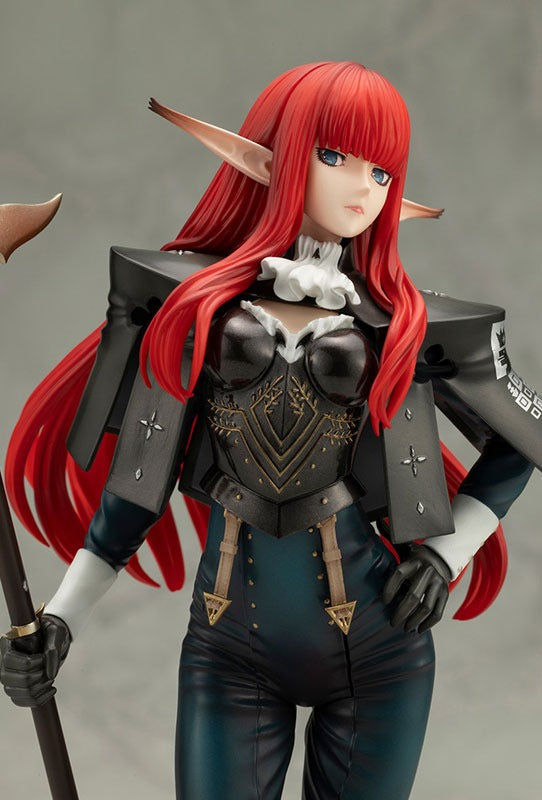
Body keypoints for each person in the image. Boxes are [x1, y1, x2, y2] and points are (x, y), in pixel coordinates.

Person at [1, 61, 540, 800]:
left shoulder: (405, 325)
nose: (361, 188)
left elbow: (521, 438)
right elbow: (138, 486)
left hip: (381, 652)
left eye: (382, 172)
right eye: (334, 156)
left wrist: (446, 557)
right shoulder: (195, 312)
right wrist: (60, 619)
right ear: (269, 160)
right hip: (229, 650)